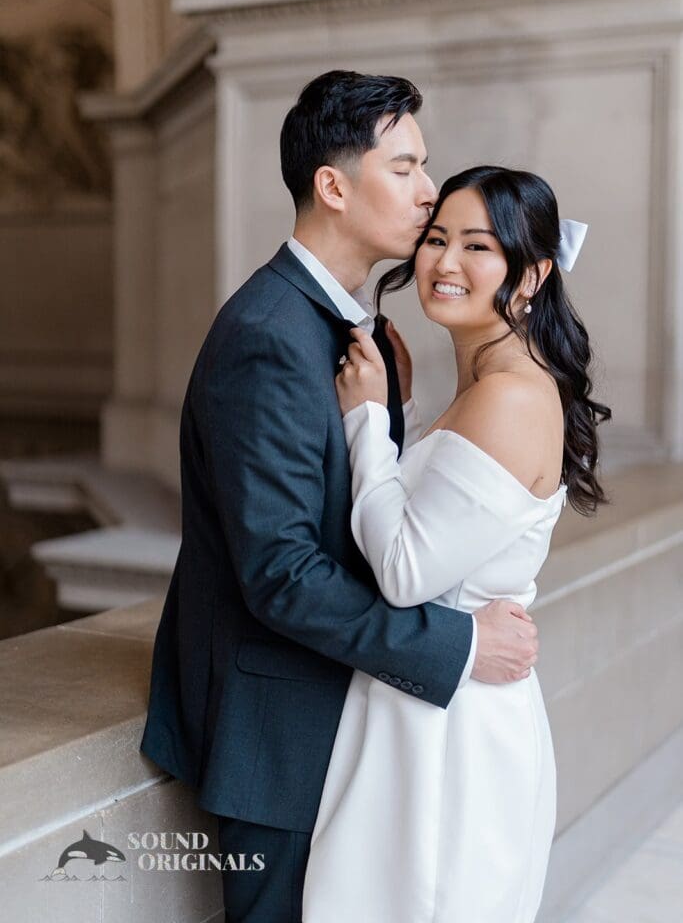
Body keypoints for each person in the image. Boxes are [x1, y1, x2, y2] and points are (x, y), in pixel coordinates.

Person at [140, 73, 542, 923]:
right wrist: (460, 645)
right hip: (279, 731)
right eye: (404, 167)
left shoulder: (354, 333)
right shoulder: (269, 335)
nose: (428, 191)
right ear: (332, 185)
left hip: (352, 716)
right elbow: (281, 572)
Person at [302, 166, 611, 922]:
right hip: (423, 705)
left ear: (531, 274)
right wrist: (405, 407)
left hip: (452, 734)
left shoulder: (510, 395)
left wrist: (366, 420)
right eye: (436, 238)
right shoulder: (488, 383)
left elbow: (405, 570)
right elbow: (436, 517)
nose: (444, 262)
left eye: (477, 246)